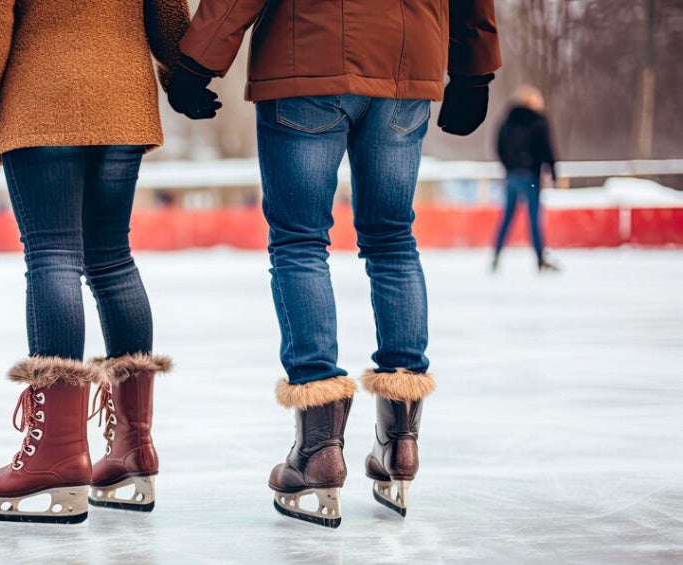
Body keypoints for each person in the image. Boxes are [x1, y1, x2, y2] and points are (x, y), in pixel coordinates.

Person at [168, 0, 500, 526]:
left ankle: (319, 448)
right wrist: (475, 68)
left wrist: (197, 62)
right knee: (392, 239)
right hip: (404, 61)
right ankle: (400, 442)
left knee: (299, 242)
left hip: (307, 54)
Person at [0, 0, 209, 523]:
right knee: (112, 259)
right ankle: (134, 449)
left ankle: (56, 454)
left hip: (41, 99)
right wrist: (183, 74)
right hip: (122, 97)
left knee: (52, 255)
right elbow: (168, 10)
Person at [493, 85, 560, 272]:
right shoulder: (539, 121)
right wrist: (553, 171)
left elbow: (499, 146)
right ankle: (539, 258)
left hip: (513, 176)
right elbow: (547, 149)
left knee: (507, 217)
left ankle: (496, 255)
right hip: (531, 174)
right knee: (533, 218)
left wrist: (509, 167)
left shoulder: (508, 120)